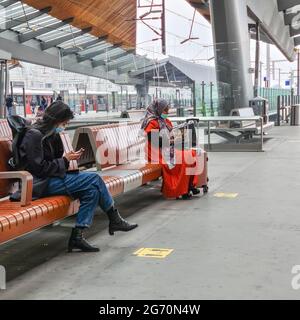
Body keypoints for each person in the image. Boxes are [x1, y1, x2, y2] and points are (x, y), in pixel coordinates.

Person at [13, 101, 138, 252]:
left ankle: (77, 237)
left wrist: (66, 158)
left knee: (92, 191)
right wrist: (65, 160)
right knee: (94, 179)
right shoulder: (34, 135)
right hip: (38, 184)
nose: (65, 125)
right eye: (65, 122)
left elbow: (51, 162)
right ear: (56, 120)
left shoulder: (50, 134)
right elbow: (38, 168)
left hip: (50, 179)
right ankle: (114, 217)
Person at [141, 99, 201, 200]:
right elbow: (155, 142)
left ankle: (189, 185)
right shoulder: (152, 123)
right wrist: (171, 140)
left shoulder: (165, 121)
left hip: (167, 150)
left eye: (167, 110)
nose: (167, 113)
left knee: (192, 154)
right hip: (157, 153)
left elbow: (171, 135)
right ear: (158, 110)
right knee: (185, 158)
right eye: (165, 110)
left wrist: (178, 137)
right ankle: (182, 190)